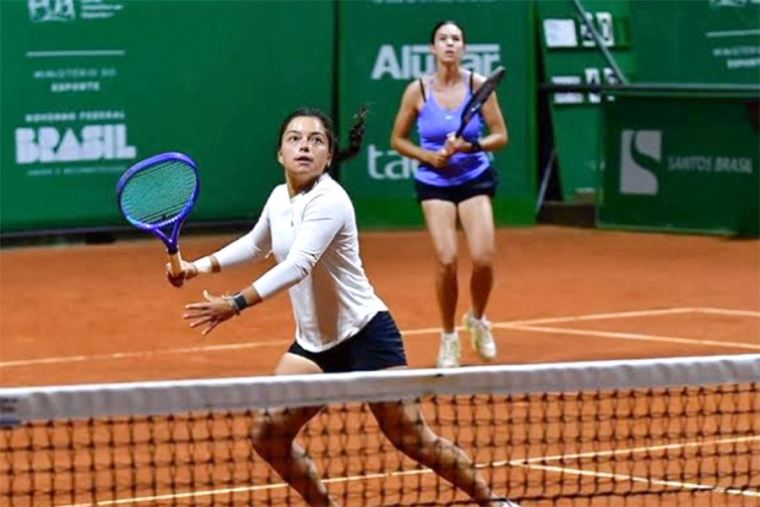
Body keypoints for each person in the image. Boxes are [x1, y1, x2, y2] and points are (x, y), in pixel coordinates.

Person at [171, 107, 519, 507]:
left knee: (412, 438)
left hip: (365, 334)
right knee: (268, 436)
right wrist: (195, 267)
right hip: (315, 345)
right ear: (280, 153)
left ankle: (492, 502)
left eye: (316, 140)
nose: (304, 146)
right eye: (295, 139)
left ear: (329, 157)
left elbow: (298, 265)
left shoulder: (330, 200)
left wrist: (235, 303)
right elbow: (255, 244)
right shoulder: (279, 198)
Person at [390, 20, 508, 369]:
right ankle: (448, 336)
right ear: (433, 48)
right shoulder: (417, 91)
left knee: (483, 258)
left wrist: (469, 146)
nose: (450, 44)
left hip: (474, 178)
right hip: (434, 182)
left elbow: (500, 135)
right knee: (446, 260)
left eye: (456, 39)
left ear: (464, 48)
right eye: (443, 39)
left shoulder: (479, 85)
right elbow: (397, 140)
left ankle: (477, 319)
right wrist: (428, 156)